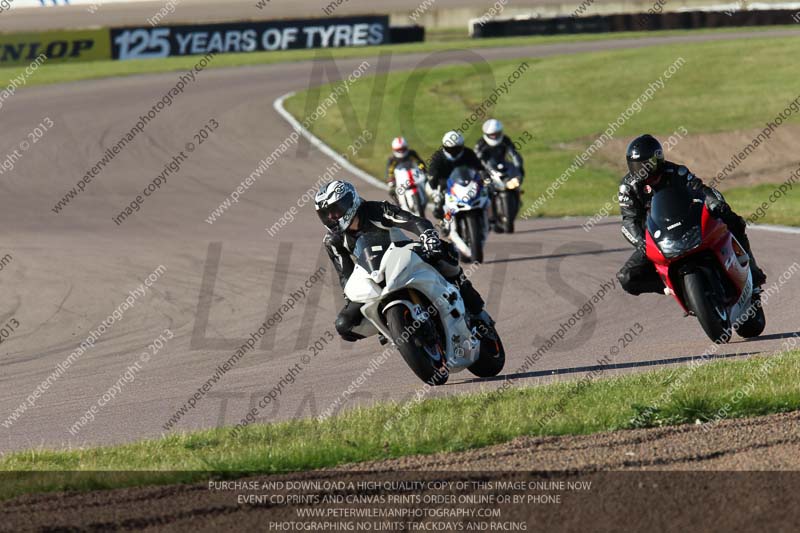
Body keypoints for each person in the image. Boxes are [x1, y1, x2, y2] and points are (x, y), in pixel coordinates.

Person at [314, 180, 490, 342]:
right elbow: (345, 274)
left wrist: (427, 236)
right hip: (374, 275)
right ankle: (387, 325)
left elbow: (413, 221)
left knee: (444, 252)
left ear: (349, 202)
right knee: (344, 325)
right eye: (326, 214)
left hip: (405, 254)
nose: (331, 217)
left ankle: (475, 308)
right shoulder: (333, 241)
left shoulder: (375, 210)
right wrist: (352, 297)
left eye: (335, 210)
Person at [616, 134, 766, 296]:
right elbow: (628, 222)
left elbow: (700, 189)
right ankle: (669, 286)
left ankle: (752, 270)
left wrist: (714, 202)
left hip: (689, 223)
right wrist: (642, 243)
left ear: (658, 159)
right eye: (636, 166)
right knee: (626, 277)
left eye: (646, 165)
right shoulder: (628, 188)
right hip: (659, 238)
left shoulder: (676, 172)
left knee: (733, 220)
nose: (641, 171)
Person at [475, 119, 525, 232]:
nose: (494, 137)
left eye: (496, 134)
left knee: (515, 185)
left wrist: (519, 169)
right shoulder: (480, 144)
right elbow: (476, 160)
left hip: (503, 167)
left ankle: (516, 201)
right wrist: (482, 172)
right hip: (487, 170)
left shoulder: (505, 140)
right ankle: (491, 218)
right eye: (491, 135)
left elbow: (515, 155)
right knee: (486, 191)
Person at [428, 131, 485, 221]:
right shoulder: (438, 156)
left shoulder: (468, 153)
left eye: (456, 149)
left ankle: (491, 218)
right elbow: (432, 172)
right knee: (440, 200)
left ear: (461, 146)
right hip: (446, 183)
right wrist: (433, 180)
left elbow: (479, 167)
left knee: (485, 193)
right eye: (450, 149)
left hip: (466, 181)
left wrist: (483, 174)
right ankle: (445, 220)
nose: (453, 152)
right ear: (444, 147)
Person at [385, 137, 427, 204]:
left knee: (427, 183)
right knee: (392, 192)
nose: (401, 151)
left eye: (403, 149)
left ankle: (425, 197)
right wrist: (390, 180)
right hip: (400, 178)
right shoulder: (392, 159)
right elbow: (389, 171)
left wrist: (422, 169)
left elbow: (419, 162)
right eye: (399, 150)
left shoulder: (411, 153)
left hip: (414, 175)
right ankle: (399, 205)